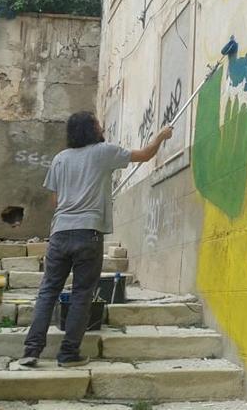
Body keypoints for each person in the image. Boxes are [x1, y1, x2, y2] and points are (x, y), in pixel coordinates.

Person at [19, 111, 173, 367]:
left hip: (59, 233)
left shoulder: (60, 159)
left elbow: (56, 201)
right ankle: (68, 354)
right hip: (88, 233)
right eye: (98, 123)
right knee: (81, 294)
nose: (102, 127)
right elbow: (145, 155)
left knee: (47, 292)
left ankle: (31, 350)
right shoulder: (103, 151)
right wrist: (160, 136)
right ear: (92, 129)